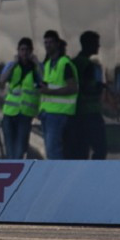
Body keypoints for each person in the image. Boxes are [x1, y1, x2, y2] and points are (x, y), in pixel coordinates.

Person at [66, 31, 107, 160]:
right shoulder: (89, 65)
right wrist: (100, 87)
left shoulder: (73, 63)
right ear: (89, 44)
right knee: (100, 149)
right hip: (90, 113)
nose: (98, 46)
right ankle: (93, 175)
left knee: (79, 151)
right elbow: (89, 88)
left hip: (75, 114)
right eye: (96, 43)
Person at [37, 30, 78, 160]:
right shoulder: (48, 64)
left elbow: (72, 88)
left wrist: (50, 91)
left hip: (59, 113)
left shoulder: (64, 64)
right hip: (47, 112)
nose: (47, 45)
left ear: (57, 44)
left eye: (50, 42)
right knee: (50, 150)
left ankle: (57, 177)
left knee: (53, 149)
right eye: (45, 42)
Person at [0, 37, 40, 159]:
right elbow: (2, 80)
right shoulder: (12, 65)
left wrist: (37, 64)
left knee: (20, 147)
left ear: (31, 51)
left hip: (25, 113)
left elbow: (44, 80)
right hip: (10, 112)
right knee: (10, 146)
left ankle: (17, 167)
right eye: (22, 50)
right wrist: (14, 65)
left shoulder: (35, 68)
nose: (24, 53)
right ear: (18, 51)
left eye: (27, 50)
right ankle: (12, 167)